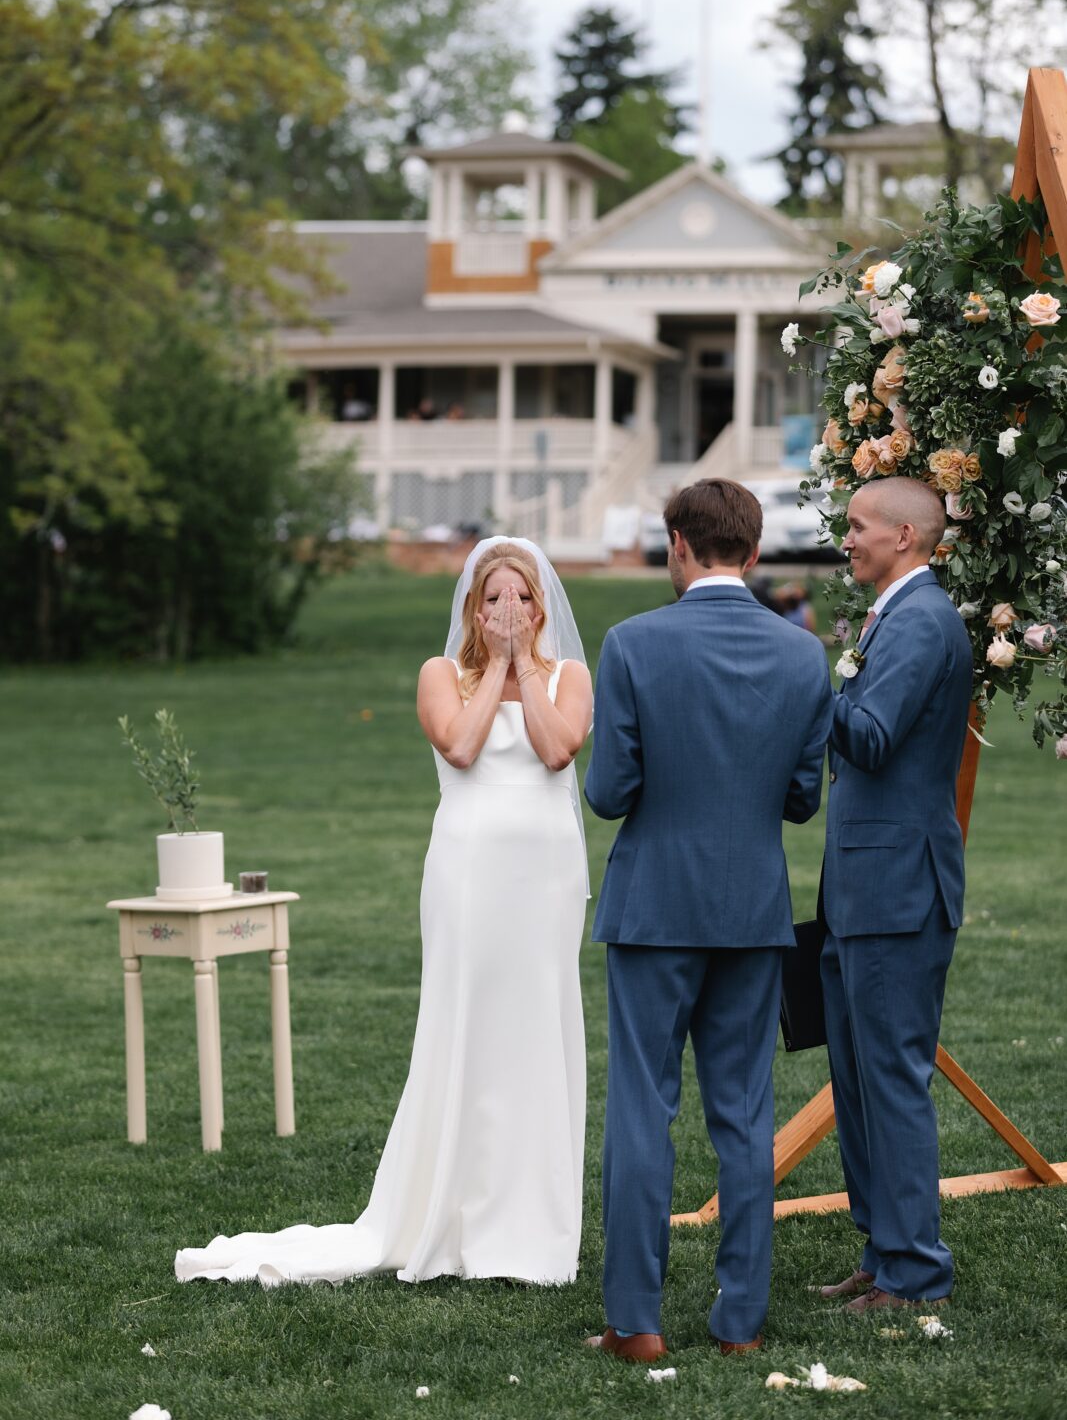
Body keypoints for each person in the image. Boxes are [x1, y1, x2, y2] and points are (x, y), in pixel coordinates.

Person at [175, 537, 593, 1288]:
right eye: (493, 598)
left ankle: (530, 1220)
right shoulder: (443, 675)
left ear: (539, 606)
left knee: (536, 1024)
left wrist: (525, 667)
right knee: (464, 1023)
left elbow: (558, 749)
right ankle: (449, 1211)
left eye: (521, 598)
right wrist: (495, 665)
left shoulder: (569, 676)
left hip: (546, 879)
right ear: (472, 607)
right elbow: (461, 750)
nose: (507, 610)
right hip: (468, 871)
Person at [582, 479, 834, 1363]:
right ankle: (739, 1326)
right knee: (742, 1118)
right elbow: (803, 800)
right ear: (754, 552)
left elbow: (608, 791)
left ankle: (635, 1322)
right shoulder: (803, 656)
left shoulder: (632, 644)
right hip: (752, 911)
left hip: (653, 908)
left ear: (677, 547)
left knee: (641, 1112)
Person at [816, 477, 972, 1314]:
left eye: (857, 526)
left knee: (889, 1079)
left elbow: (870, 740)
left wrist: (806, 679)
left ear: (905, 537)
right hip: (860, 890)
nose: (847, 539)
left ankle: (914, 1271)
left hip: (898, 892)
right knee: (856, 1081)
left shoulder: (920, 620)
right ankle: (883, 1253)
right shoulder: (892, 615)